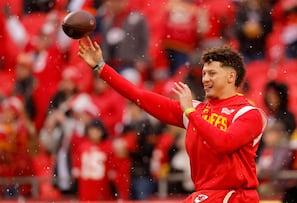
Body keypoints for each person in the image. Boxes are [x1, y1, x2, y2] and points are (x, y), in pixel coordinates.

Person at [78, 37, 267, 202]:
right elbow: (140, 97)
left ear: (231, 76)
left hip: (235, 197)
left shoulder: (248, 113)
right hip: (205, 194)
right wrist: (101, 67)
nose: (205, 79)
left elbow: (223, 144)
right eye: (203, 73)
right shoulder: (197, 109)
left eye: (212, 73)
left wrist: (191, 112)